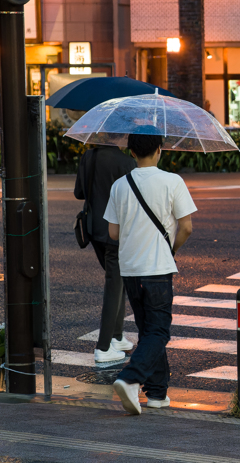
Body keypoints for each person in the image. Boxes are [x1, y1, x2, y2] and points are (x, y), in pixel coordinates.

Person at [108, 128, 196, 415]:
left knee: (148, 330)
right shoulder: (172, 181)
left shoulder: (120, 185)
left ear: (132, 152)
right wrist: (172, 249)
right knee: (158, 331)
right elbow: (186, 227)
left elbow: (113, 233)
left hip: (130, 269)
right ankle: (129, 378)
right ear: (160, 149)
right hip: (157, 267)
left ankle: (157, 393)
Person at [75, 144, 137, 364]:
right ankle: (103, 347)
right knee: (114, 283)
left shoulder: (89, 157)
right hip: (116, 230)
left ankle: (117, 336)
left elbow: (79, 193)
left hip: (94, 229)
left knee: (119, 280)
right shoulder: (127, 162)